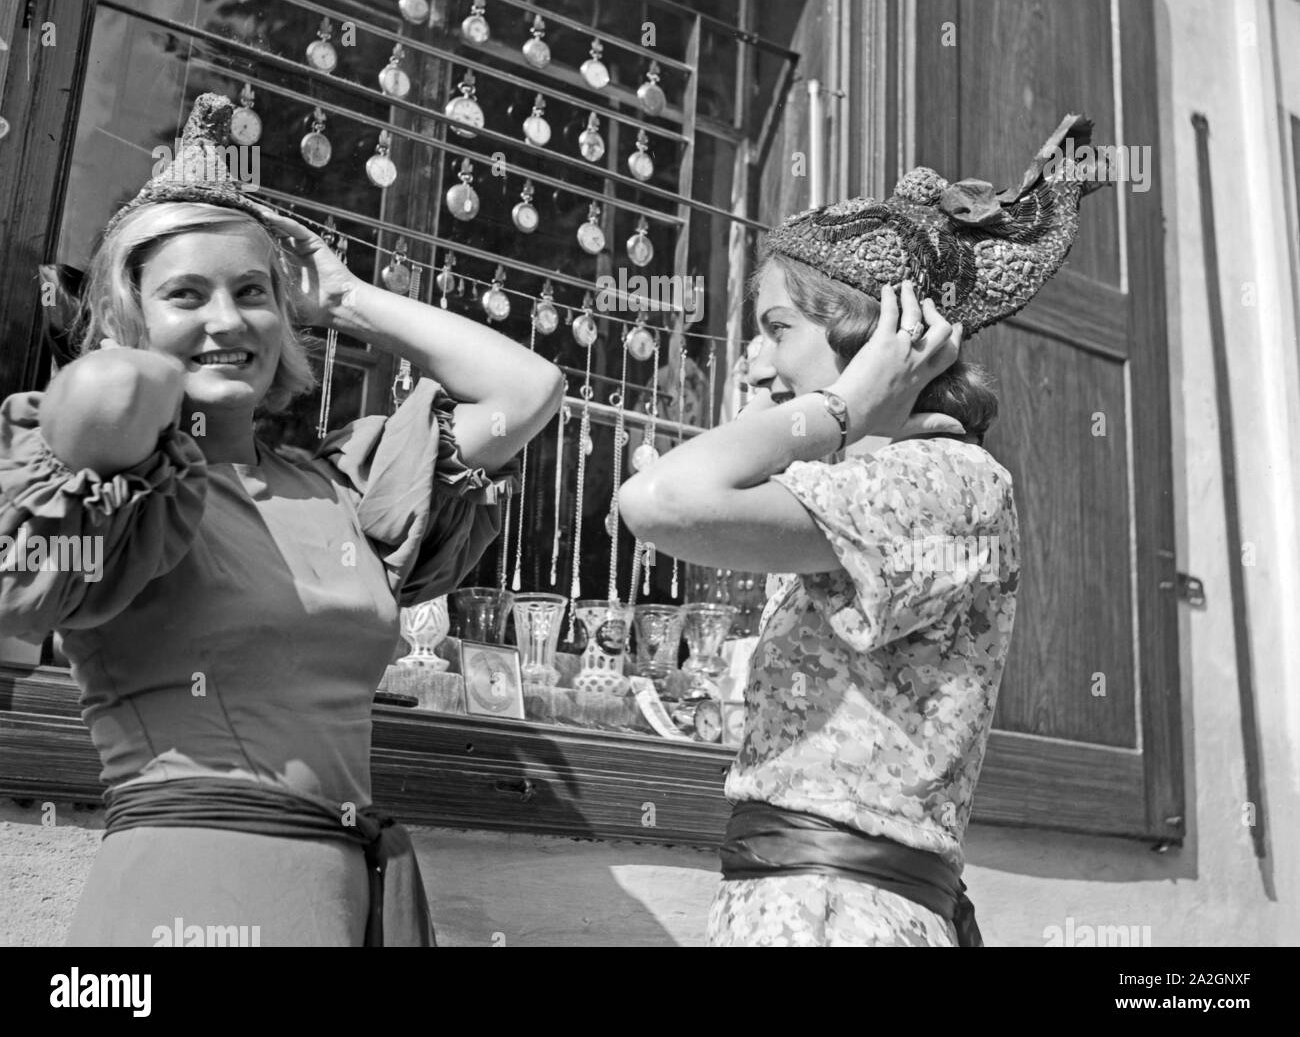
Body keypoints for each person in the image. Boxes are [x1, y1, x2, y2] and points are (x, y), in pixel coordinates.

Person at [0, 93, 564, 946]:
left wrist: (345, 298)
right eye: (186, 294)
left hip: (336, 901)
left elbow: (528, 391)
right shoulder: (117, 484)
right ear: (129, 316)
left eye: (253, 293)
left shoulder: (343, 488)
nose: (228, 321)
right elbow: (107, 402)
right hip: (182, 899)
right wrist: (145, 349)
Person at [620, 114, 1106, 947]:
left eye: (778, 330)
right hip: (808, 907)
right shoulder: (859, 487)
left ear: (871, 334)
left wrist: (840, 407)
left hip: (836, 915)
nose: (758, 360)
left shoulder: (941, 483)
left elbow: (659, 500)